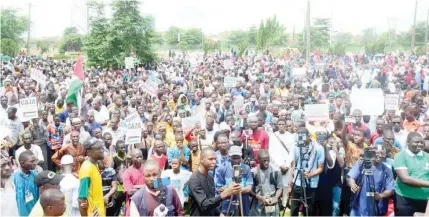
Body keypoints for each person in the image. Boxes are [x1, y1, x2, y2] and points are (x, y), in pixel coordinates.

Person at [188, 147, 242, 216]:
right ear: (201, 159)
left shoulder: (210, 177)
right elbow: (204, 205)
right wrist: (224, 194)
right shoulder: (195, 180)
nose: (214, 162)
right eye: (210, 159)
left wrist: (219, 213)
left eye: (215, 159)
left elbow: (211, 201)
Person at [348, 146, 394, 216]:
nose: (380, 156)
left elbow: (391, 189)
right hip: (358, 206)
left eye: (382, 153)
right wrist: (353, 185)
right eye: (377, 153)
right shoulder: (361, 164)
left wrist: (380, 195)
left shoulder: (387, 171)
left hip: (375, 208)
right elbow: (351, 178)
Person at [289, 127, 325, 216]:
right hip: (297, 182)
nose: (301, 140)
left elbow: (321, 168)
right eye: (299, 137)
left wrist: (310, 174)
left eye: (303, 137)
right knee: (294, 208)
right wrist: (291, 181)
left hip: (311, 183)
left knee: (309, 210)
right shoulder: (295, 146)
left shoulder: (318, 148)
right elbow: (293, 164)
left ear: (309, 136)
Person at [394, 132, 429, 216]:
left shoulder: (427, 156)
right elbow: (405, 179)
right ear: (408, 142)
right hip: (405, 199)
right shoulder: (400, 156)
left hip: (424, 199)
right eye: (416, 142)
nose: (419, 144)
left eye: (421, 142)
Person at [215, 146, 253, 216]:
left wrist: (238, 190)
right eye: (234, 158)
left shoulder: (246, 168)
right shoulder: (223, 168)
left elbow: (249, 187)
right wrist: (228, 189)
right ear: (229, 157)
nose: (236, 160)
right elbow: (219, 187)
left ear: (241, 157)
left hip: (243, 203)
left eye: (238, 158)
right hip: (227, 204)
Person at [268, 118, 295, 207]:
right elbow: (271, 152)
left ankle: (285, 204)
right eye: (279, 124)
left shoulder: (291, 136)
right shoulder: (273, 136)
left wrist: (286, 165)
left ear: (286, 126)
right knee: (276, 185)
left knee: (286, 185)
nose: (281, 126)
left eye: (283, 124)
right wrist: (279, 165)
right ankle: (276, 204)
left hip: (287, 165)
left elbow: (292, 152)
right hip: (276, 165)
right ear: (277, 125)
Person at [249, 149, 282, 216]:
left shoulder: (276, 171)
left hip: (271, 203)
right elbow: (249, 191)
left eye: (268, 160)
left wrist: (274, 198)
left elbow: (280, 188)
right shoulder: (253, 172)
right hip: (257, 204)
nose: (266, 162)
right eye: (264, 160)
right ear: (258, 160)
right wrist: (260, 198)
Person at [78, 138, 105, 217]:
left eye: (102, 147)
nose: (102, 150)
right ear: (89, 152)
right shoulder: (86, 169)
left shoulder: (95, 164)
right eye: (98, 149)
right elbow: (81, 198)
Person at [13, 151, 39, 216]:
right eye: (32, 161)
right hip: (21, 212)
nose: (35, 163)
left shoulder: (35, 175)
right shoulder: (14, 178)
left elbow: (38, 194)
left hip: (34, 209)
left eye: (35, 160)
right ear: (22, 163)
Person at [122, 149, 145, 216]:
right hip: (133, 204)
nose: (139, 159)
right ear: (132, 158)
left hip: (145, 203)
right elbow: (129, 192)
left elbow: (156, 184)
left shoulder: (146, 168)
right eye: (137, 157)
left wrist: (135, 186)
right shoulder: (127, 172)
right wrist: (146, 187)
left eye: (141, 156)